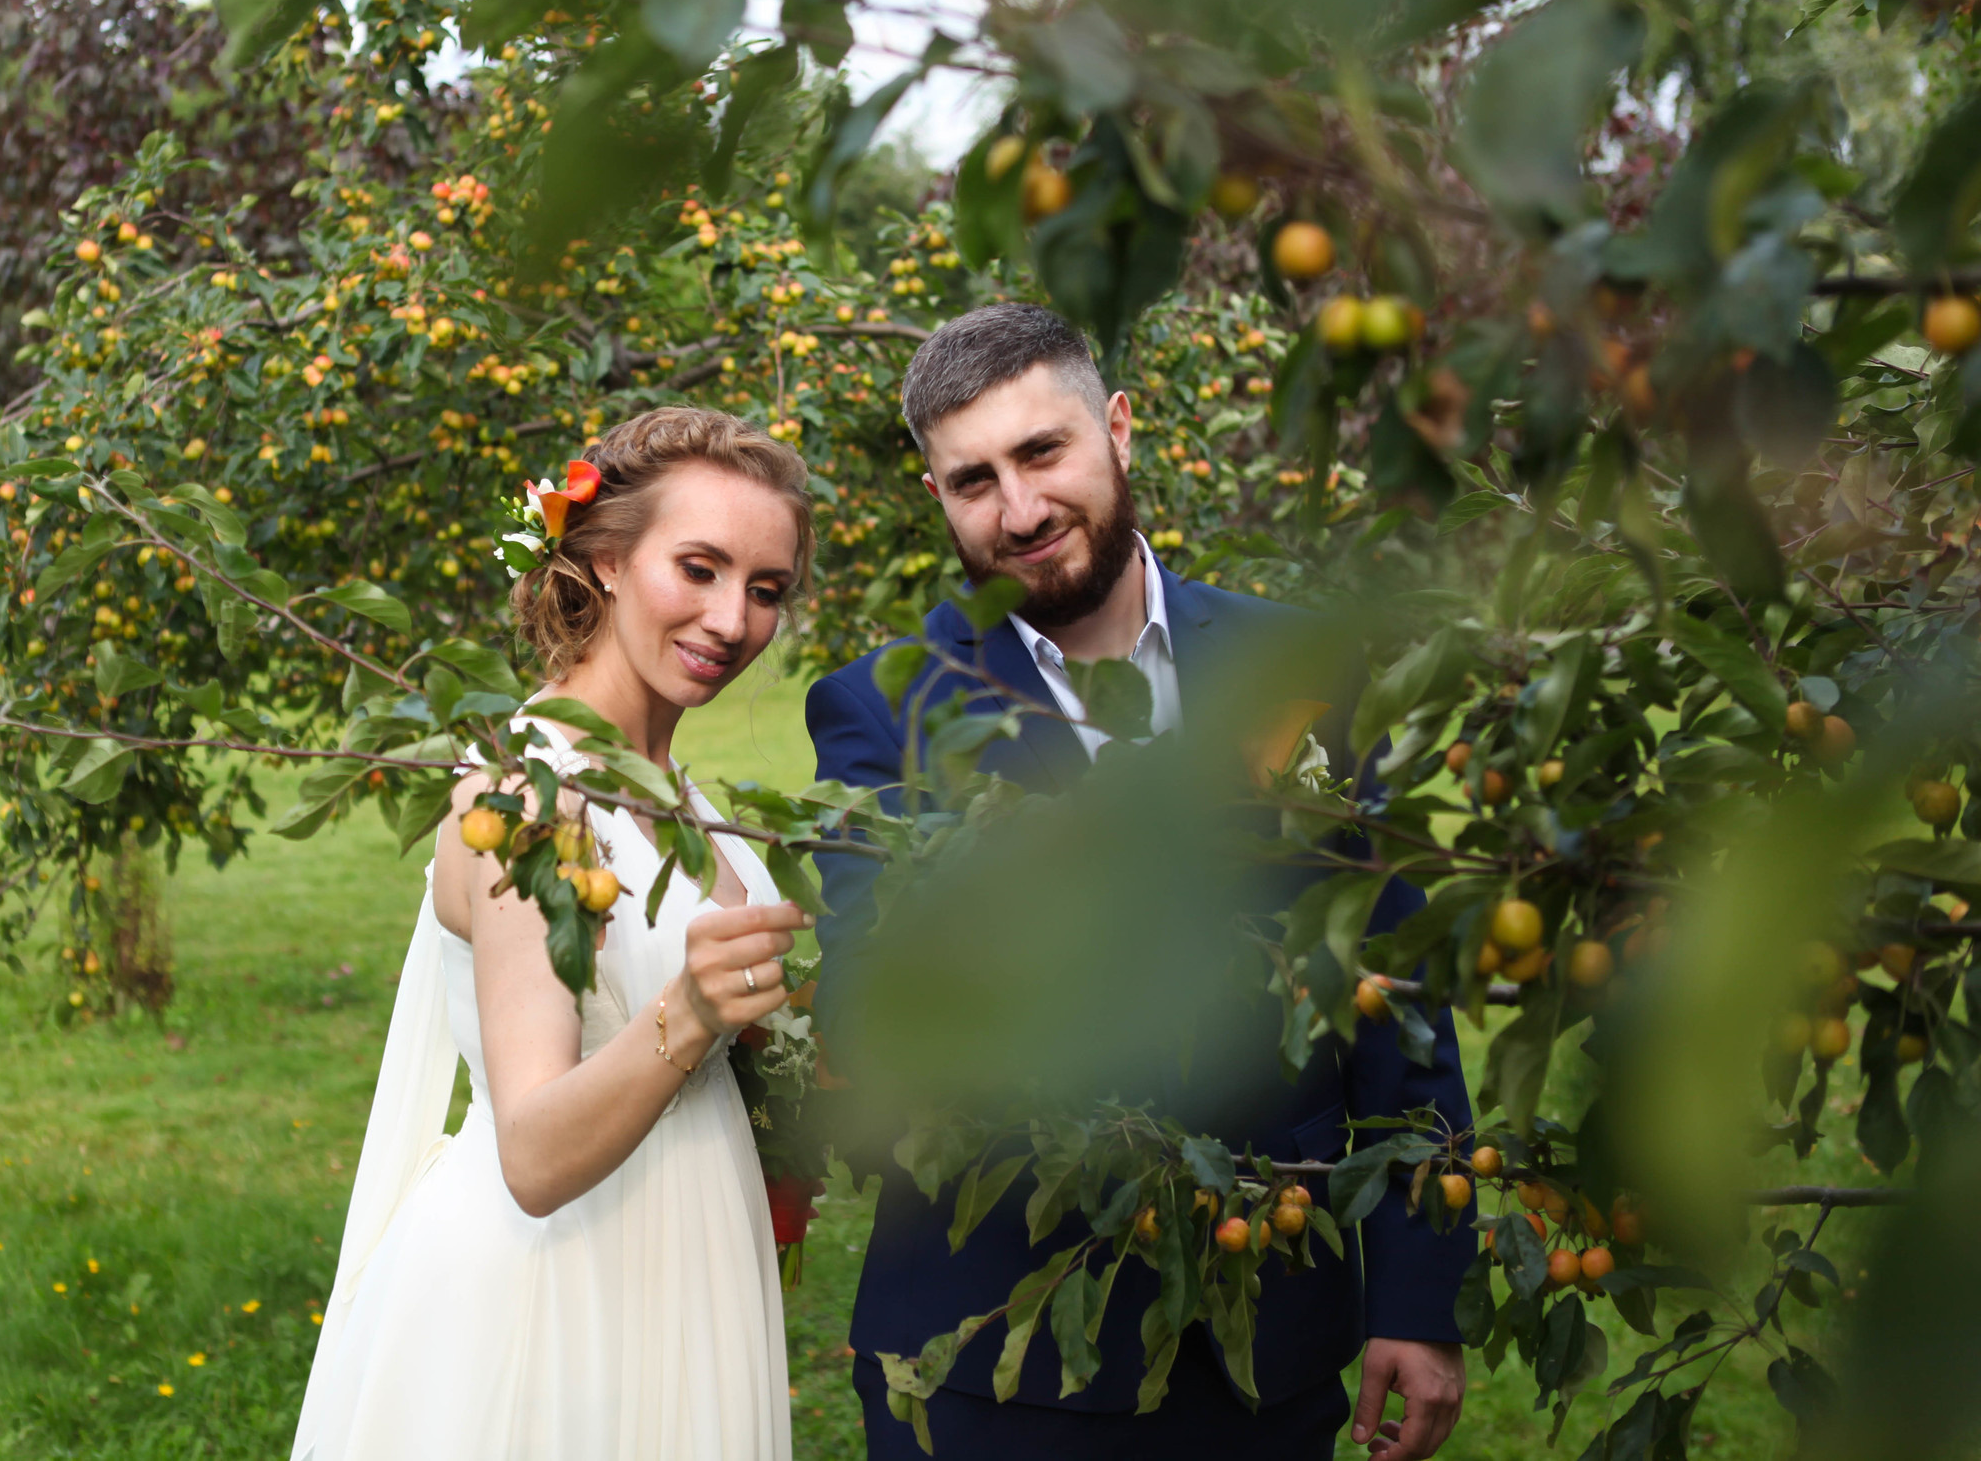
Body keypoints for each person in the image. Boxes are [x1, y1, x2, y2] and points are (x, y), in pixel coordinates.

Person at [807, 303, 1476, 1461]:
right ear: (937, 498)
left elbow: (1394, 987)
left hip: (1271, 1335)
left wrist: (1416, 1297)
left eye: (1041, 452)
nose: (1017, 511)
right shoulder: (880, 710)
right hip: (988, 1368)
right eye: (972, 481)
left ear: (1118, 428)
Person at [291, 406, 816, 1461]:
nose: (732, 619)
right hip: (553, 1293)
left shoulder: (682, 795)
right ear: (609, 561)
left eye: (766, 589)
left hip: (692, 1268)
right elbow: (529, 1154)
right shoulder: (525, 797)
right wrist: (691, 1013)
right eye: (700, 568)